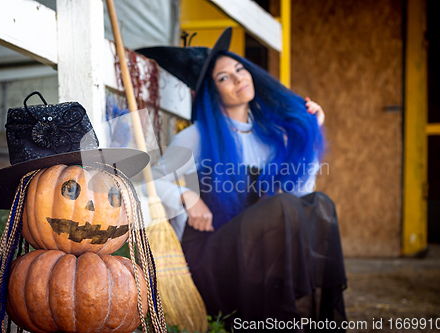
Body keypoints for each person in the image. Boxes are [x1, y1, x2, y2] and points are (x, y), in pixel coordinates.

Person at [137, 28, 346, 332]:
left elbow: (301, 196)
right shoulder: (195, 137)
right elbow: (148, 182)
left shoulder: (268, 136)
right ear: (213, 93)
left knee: (320, 204)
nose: (237, 79)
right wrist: (188, 197)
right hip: (213, 256)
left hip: (258, 254)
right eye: (223, 78)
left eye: (239, 68)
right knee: (284, 205)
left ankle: (319, 322)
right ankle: (281, 321)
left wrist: (310, 134)